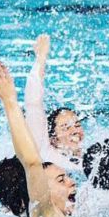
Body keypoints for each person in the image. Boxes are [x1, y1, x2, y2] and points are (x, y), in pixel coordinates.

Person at [0, 58, 78, 217]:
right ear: (41, 192)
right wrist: (10, 101)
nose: (72, 181)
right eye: (61, 180)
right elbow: (32, 163)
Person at [25, 34, 84, 171]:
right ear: (53, 138)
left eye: (77, 125)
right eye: (66, 127)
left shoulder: (87, 158)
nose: (75, 131)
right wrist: (41, 58)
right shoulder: (46, 155)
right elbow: (33, 103)